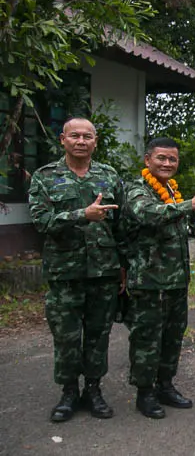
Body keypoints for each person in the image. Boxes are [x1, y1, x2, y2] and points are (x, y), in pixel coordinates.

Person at [28, 117, 125, 422]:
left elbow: (121, 225)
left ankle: (93, 391)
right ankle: (69, 393)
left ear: (96, 141)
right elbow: (41, 222)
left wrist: (123, 266)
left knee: (98, 335)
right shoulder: (45, 176)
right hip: (64, 274)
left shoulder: (109, 176)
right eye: (75, 136)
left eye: (87, 136)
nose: (81, 141)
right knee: (67, 337)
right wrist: (82, 214)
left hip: (103, 272)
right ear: (62, 140)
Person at [122, 137, 195, 418]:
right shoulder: (136, 189)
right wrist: (190, 204)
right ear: (147, 160)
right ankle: (145, 393)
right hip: (149, 281)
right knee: (147, 338)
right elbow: (148, 215)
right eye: (161, 158)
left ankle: (165, 385)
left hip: (176, 280)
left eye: (172, 160)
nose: (167, 164)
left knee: (173, 335)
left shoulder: (172, 190)